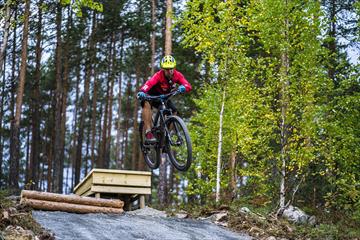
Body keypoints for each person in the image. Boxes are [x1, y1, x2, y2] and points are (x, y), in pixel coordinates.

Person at [137, 55, 192, 143]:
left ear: (174, 68)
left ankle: (166, 136)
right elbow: (149, 83)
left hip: (164, 98)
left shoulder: (177, 75)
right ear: (163, 69)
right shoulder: (158, 75)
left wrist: (184, 87)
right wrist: (142, 91)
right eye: (166, 69)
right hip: (152, 96)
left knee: (174, 111)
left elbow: (188, 85)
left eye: (171, 68)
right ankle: (148, 132)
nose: (169, 71)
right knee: (146, 103)